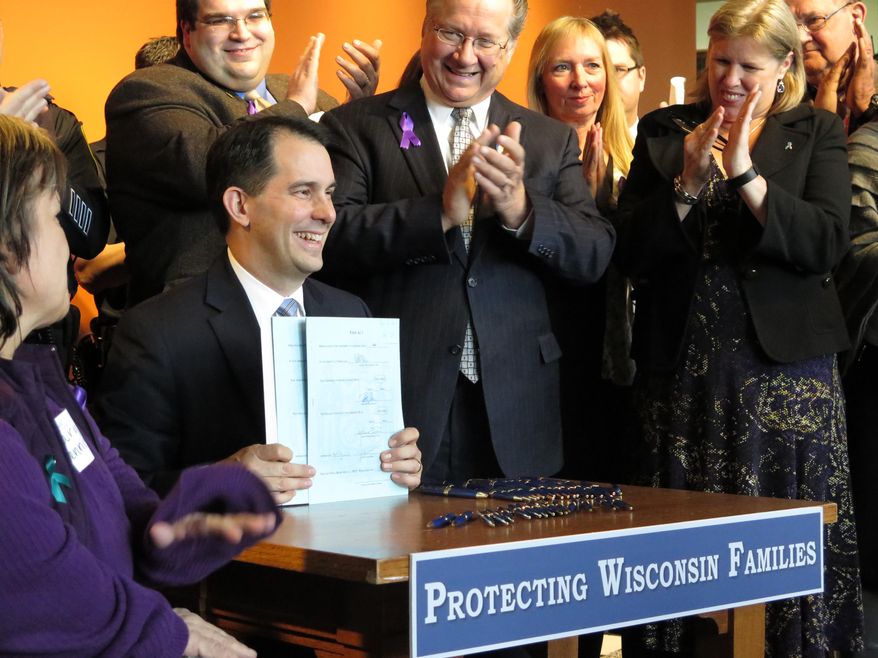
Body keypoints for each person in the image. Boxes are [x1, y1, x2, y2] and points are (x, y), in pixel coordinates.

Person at [614, 0, 862, 655]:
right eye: (720, 61)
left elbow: (826, 244)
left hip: (787, 385)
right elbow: (629, 252)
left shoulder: (815, 130)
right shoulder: (665, 129)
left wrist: (746, 176)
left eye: (748, 67)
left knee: (779, 552)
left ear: (784, 66)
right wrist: (687, 183)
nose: (729, 79)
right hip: (681, 381)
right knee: (680, 548)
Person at [0, 114, 281, 657]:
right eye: (56, 218)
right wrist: (169, 632)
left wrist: (191, 519)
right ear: (6, 244)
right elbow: (39, 587)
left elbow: (131, 512)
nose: (72, 243)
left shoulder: (43, 384)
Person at [319, 0, 614, 485]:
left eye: (485, 41)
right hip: (399, 409)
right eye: (452, 34)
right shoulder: (355, 126)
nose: (465, 55)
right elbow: (328, 241)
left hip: (520, 405)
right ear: (425, 28)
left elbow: (594, 253)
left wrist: (522, 210)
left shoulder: (548, 139)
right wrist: (437, 213)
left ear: (510, 47)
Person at [98, 115, 422, 503]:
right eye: (303, 192)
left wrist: (399, 463)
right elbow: (118, 491)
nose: (327, 213)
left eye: (329, 193)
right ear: (240, 205)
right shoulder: (157, 330)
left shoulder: (352, 314)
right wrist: (220, 479)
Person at [105, 0, 382, 306]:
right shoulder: (149, 90)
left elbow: (345, 195)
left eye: (255, 16)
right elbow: (204, 166)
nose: (242, 33)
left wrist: (354, 120)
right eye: (220, 21)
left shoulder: (301, 93)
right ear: (187, 32)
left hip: (310, 306)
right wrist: (296, 109)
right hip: (200, 313)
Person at [525, 17, 635, 491]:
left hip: (622, 357)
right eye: (562, 67)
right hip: (552, 351)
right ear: (540, 80)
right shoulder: (524, 153)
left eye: (592, 66)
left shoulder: (636, 154)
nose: (580, 81)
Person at [785, 0, 876, 132]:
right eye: (790, 27)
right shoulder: (778, 100)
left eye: (814, 20)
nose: (799, 38)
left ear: (856, 17)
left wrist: (869, 109)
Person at [590, 10, 646, 138]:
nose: (608, 83)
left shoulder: (661, 145)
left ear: (641, 77)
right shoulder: (566, 147)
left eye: (618, 70)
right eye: (595, 68)